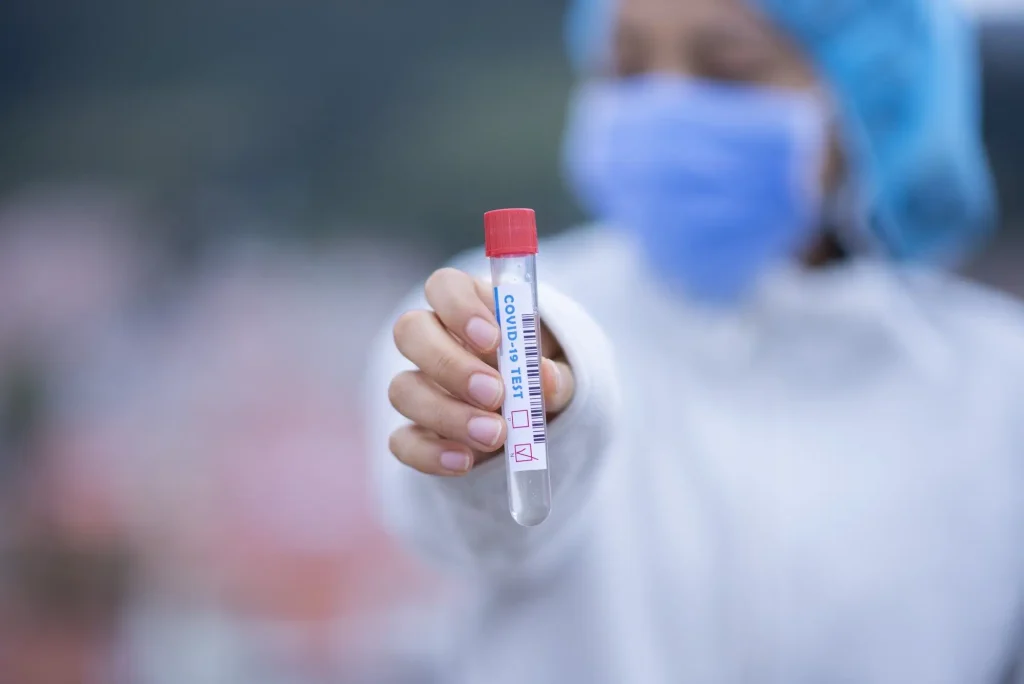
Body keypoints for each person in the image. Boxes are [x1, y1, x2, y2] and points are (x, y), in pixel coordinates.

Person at [366, 0, 1024, 681]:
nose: (665, 102)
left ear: (870, 96)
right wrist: (526, 420)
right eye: (626, 68)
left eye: (728, 69)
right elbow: (480, 531)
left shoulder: (997, 386)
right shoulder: (493, 313)